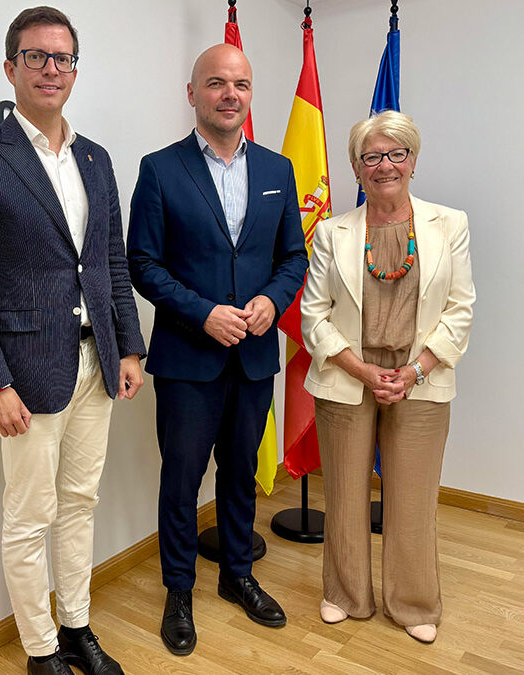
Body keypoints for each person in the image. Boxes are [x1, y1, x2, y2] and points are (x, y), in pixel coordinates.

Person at [0, 7, 146, 674]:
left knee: (81, 502)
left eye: (62, 58)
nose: (51, 68)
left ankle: (78, 624)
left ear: (75, 70)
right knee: (30, 515)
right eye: (36, 56)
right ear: (10, 69)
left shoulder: (95, 157)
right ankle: (40, 648)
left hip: (96, 360)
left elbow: (108, 260)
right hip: (26, 370)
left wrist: (129, 347)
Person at [127, 44, 308, 656]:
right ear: (193, 93)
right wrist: (202, 312)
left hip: (254, 357)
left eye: (241, 84)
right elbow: (142, 263)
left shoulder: (279, 171)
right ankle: (179, 589)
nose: (230, 94)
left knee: (238, 475)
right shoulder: (159, 169)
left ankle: (238, 576)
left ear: (251, 94)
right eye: (216, 83)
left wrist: (271, 301)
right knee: (181, 481)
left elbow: (292, 258)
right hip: (187, 359)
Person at [300, 111, 475, 644]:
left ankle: (414, 602)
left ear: (414, 162)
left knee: (413, 498)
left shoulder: (451, 224)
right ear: (356, 167)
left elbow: (460, 309)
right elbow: (313, 314)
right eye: (372, 157)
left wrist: (415, 370)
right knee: (347, 495)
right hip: (348, 378)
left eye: (396, 154)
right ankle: (345, 594)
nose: (385, 166)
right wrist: (361, 368)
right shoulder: (333, 232)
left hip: (420, 378)